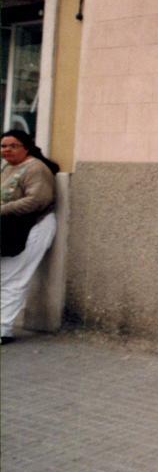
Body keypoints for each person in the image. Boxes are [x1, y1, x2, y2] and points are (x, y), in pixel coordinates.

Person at [1, 130, 60, 345]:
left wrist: (3, 209)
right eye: (3, 146)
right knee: (5, 276)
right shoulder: (7, 167)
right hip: (10, 230)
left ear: (26, 147)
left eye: (13, 145)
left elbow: (37, 200)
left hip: (33, 227)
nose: (6, 150)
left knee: (14, 278)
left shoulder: (35, 168)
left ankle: (4, 329)